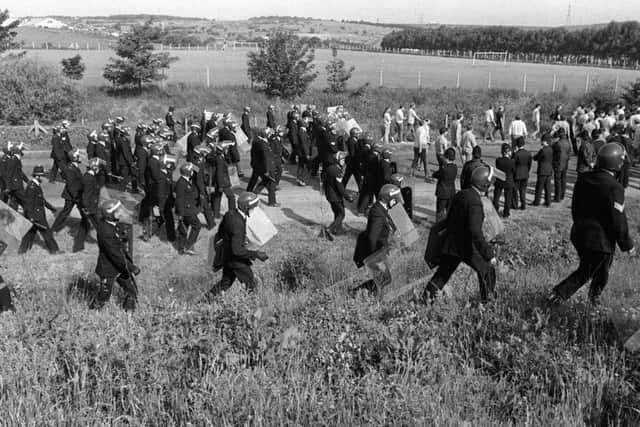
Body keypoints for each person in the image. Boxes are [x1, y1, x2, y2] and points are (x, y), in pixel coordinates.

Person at [548, 143, 635, 306]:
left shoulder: (584, 179)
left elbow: (575, 207)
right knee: (588, 271)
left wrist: (581, 225)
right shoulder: (615, 188)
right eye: (621, 161)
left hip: (579, 234)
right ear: (617, 163)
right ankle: (557, 295)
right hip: (601, 241)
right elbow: (618, 221)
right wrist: (627, 244)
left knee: (600, 271)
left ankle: (593, 303)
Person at [422, 166, 497, 303]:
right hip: (466, 246)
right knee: (487, 270)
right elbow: (475, 231)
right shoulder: (475, 202)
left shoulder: (462, 194)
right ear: (484, 184)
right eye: (489, 184)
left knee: (442, 275)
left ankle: (425, 299)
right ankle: (488, 303)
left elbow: (450, 219)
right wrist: (488, 254)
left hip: (451, 244)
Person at [205, 192, 269, 299]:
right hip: (236, 261)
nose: (255, 210)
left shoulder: (230, 214)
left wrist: (239, 240)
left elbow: (221, 233)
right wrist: (257, 254)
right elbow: (237, 250)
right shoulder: (238, 224)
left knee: (225, 283)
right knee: (252, 284)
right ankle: (250, 306)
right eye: (253, 207)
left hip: (227, 256)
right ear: (246, 207)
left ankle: (204, 301)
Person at [94, 200, 140, 311]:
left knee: (131, 290)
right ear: (110, 215)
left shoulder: (112, 225)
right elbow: (115, 254)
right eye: (118, 211)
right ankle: (93, 313)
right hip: (109, 268)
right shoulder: (106, 231)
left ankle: (129, 314)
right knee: (103, 297)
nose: (121, 213)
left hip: (119, 266)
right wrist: (131, 267)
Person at [352, 184, 399, 294]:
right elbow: (372, 237)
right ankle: (357, 293)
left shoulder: (382, 208)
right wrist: (375, 259)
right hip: (374, 252)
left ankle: (361, 293)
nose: (396, 201)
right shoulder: (378, 213)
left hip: (379, 250)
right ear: (387, 198)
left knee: (383, 279)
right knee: (383, 279)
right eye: (394, 199)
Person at [19, 165, 61, 255]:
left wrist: (51, 208)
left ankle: (22, 251)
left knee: (30, 234)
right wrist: (31, 217)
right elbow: (29, 204)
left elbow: (42, 200)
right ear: (37, 176)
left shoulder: (36, 185)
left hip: (36, 215)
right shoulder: (32, 187)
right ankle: (55, 250)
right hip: (36, 215)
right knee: (47, 233)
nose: (43, 178)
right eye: (42, 176)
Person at [51, 149, 85, 233]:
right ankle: (53, 229)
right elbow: (71, 186)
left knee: (82, 212)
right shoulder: (70, 169)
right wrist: (77, 197)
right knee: (66, 213)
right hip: (72, 195)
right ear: (74, 158)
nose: (81, 157)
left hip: (74, 194)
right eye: (78, 156)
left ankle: (84, 228)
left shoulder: (74, 167)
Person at [324, 152, 354, 236]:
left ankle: (337, 230)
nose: (343, 161)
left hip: (329, 195)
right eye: (342, 159)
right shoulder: (337, 171)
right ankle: (330, 229)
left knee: (337, 213)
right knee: (341, 214)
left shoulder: (329, 168)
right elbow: (340, 187)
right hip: (336, 196)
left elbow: (325, 182)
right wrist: (348, 197)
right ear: (337, 160)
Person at [175, 163, 202, 255]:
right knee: (197, 225)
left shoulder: (185, 181)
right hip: (186, 210)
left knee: (184, 228)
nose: (192, 172)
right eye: (191, 171)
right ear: (188, 172)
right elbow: (179, 199)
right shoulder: (182, 183)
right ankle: (188, 245)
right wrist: (181, 214)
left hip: (187, 209)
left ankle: (181, 248)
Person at [76, 158, 102, 252]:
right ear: (95, 168)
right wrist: (87, 209)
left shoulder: (90, 176)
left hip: (89, 206)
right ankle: (108, 245)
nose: (100, 169)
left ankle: (78, 247)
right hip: (89, 207)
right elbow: (86, 195)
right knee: (100, 226)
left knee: (85, 226)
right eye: (99, 167)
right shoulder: (89, 179)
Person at [432, 147, 458, 222]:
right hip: (451, 192)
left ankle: (439, 225)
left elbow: (435, 174)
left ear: (446, 157)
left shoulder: (444, 169)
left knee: (440, 211)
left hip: (442, 192)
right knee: (449, 210)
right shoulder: (455, 167)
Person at [493, 144, 515, 217]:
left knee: (496, 196)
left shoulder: (498, 160)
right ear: (507, 152)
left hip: (500, 179)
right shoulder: (511, 161)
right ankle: (506, 213)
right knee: (508, 198)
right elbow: (513, 171)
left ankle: (495, 209)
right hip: (508, 181)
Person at [532, 135, 553, 207]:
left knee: (539, 187)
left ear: (545, 141)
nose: (541, 142)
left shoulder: (543, 150)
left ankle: (537, 201)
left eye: (542, 141)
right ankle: (548, 202)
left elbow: (535, 158)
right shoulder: (551, 149)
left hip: (542, 170)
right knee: (548, 187)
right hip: (549, 170)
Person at [552, 128, 572, 202]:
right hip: (565, 163)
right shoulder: (568, 142)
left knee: (557, 181)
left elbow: (553, 154)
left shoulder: (557, 144)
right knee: (563, 180)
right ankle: (562, 195)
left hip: (558, 164)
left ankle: (557, 197)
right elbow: (570, 153)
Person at [513, 139, 532, 210]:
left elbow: (513, 164)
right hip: (525, 173)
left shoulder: (516, 154)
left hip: (517, 174)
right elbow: (529, 164)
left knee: (515, 190)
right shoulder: (528, 153)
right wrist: (527, 171)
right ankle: (523, 205)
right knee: (523, 190)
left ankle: (515, 205)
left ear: (517, 145)